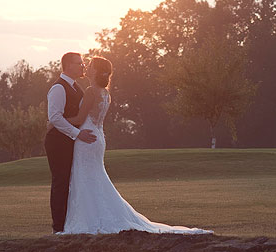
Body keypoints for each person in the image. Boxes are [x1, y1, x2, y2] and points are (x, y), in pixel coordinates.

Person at [60, 56, 213, 235]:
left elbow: (79, 119)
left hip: (86, 138)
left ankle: (90, 220)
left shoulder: (91, 91)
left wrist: (55, 121)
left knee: (85, 176)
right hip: (98, 137)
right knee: (95, 176)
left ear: (95, 71)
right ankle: (99, 215)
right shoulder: (105, 93)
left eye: (90, 65)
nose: (87, 66)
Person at [45, 52, 97, 233]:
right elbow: (55, 117)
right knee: (61, 181)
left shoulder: (76, 87)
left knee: (71, 180)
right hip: (58, 141)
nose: (83, 66)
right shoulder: (59, 88)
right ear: (67, 65)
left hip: (71, 140)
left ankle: (70, 223)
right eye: (79, 63)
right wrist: (77, 133)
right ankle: (58, 227)